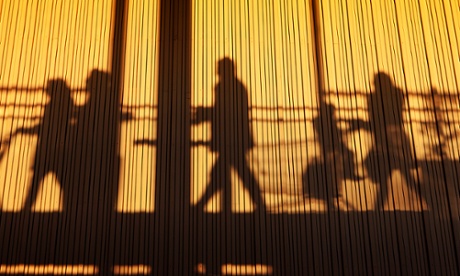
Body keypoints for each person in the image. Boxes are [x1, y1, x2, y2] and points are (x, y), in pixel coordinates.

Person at [192, 58, 265, 212]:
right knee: (233, 172)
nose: (216, 71)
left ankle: (200, 206)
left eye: (219, 67)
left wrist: (204, 114)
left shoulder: (225, 87)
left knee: (228, 173)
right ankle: (259, 204)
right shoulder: (236, 87)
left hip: (231, 139)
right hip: (236, 138)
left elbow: (223, 112)